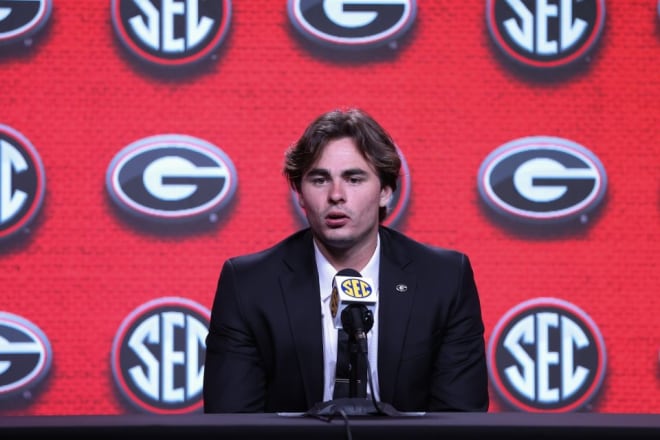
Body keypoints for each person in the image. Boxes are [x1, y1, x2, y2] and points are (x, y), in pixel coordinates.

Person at [203, 108, 489, 413]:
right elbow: (232, 423)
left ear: (385, 191)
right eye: (319, 180)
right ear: (300, 194)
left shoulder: (444, 280)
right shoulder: (249, 285)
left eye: (354, 179)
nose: (336, 195)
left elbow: (460, 420)